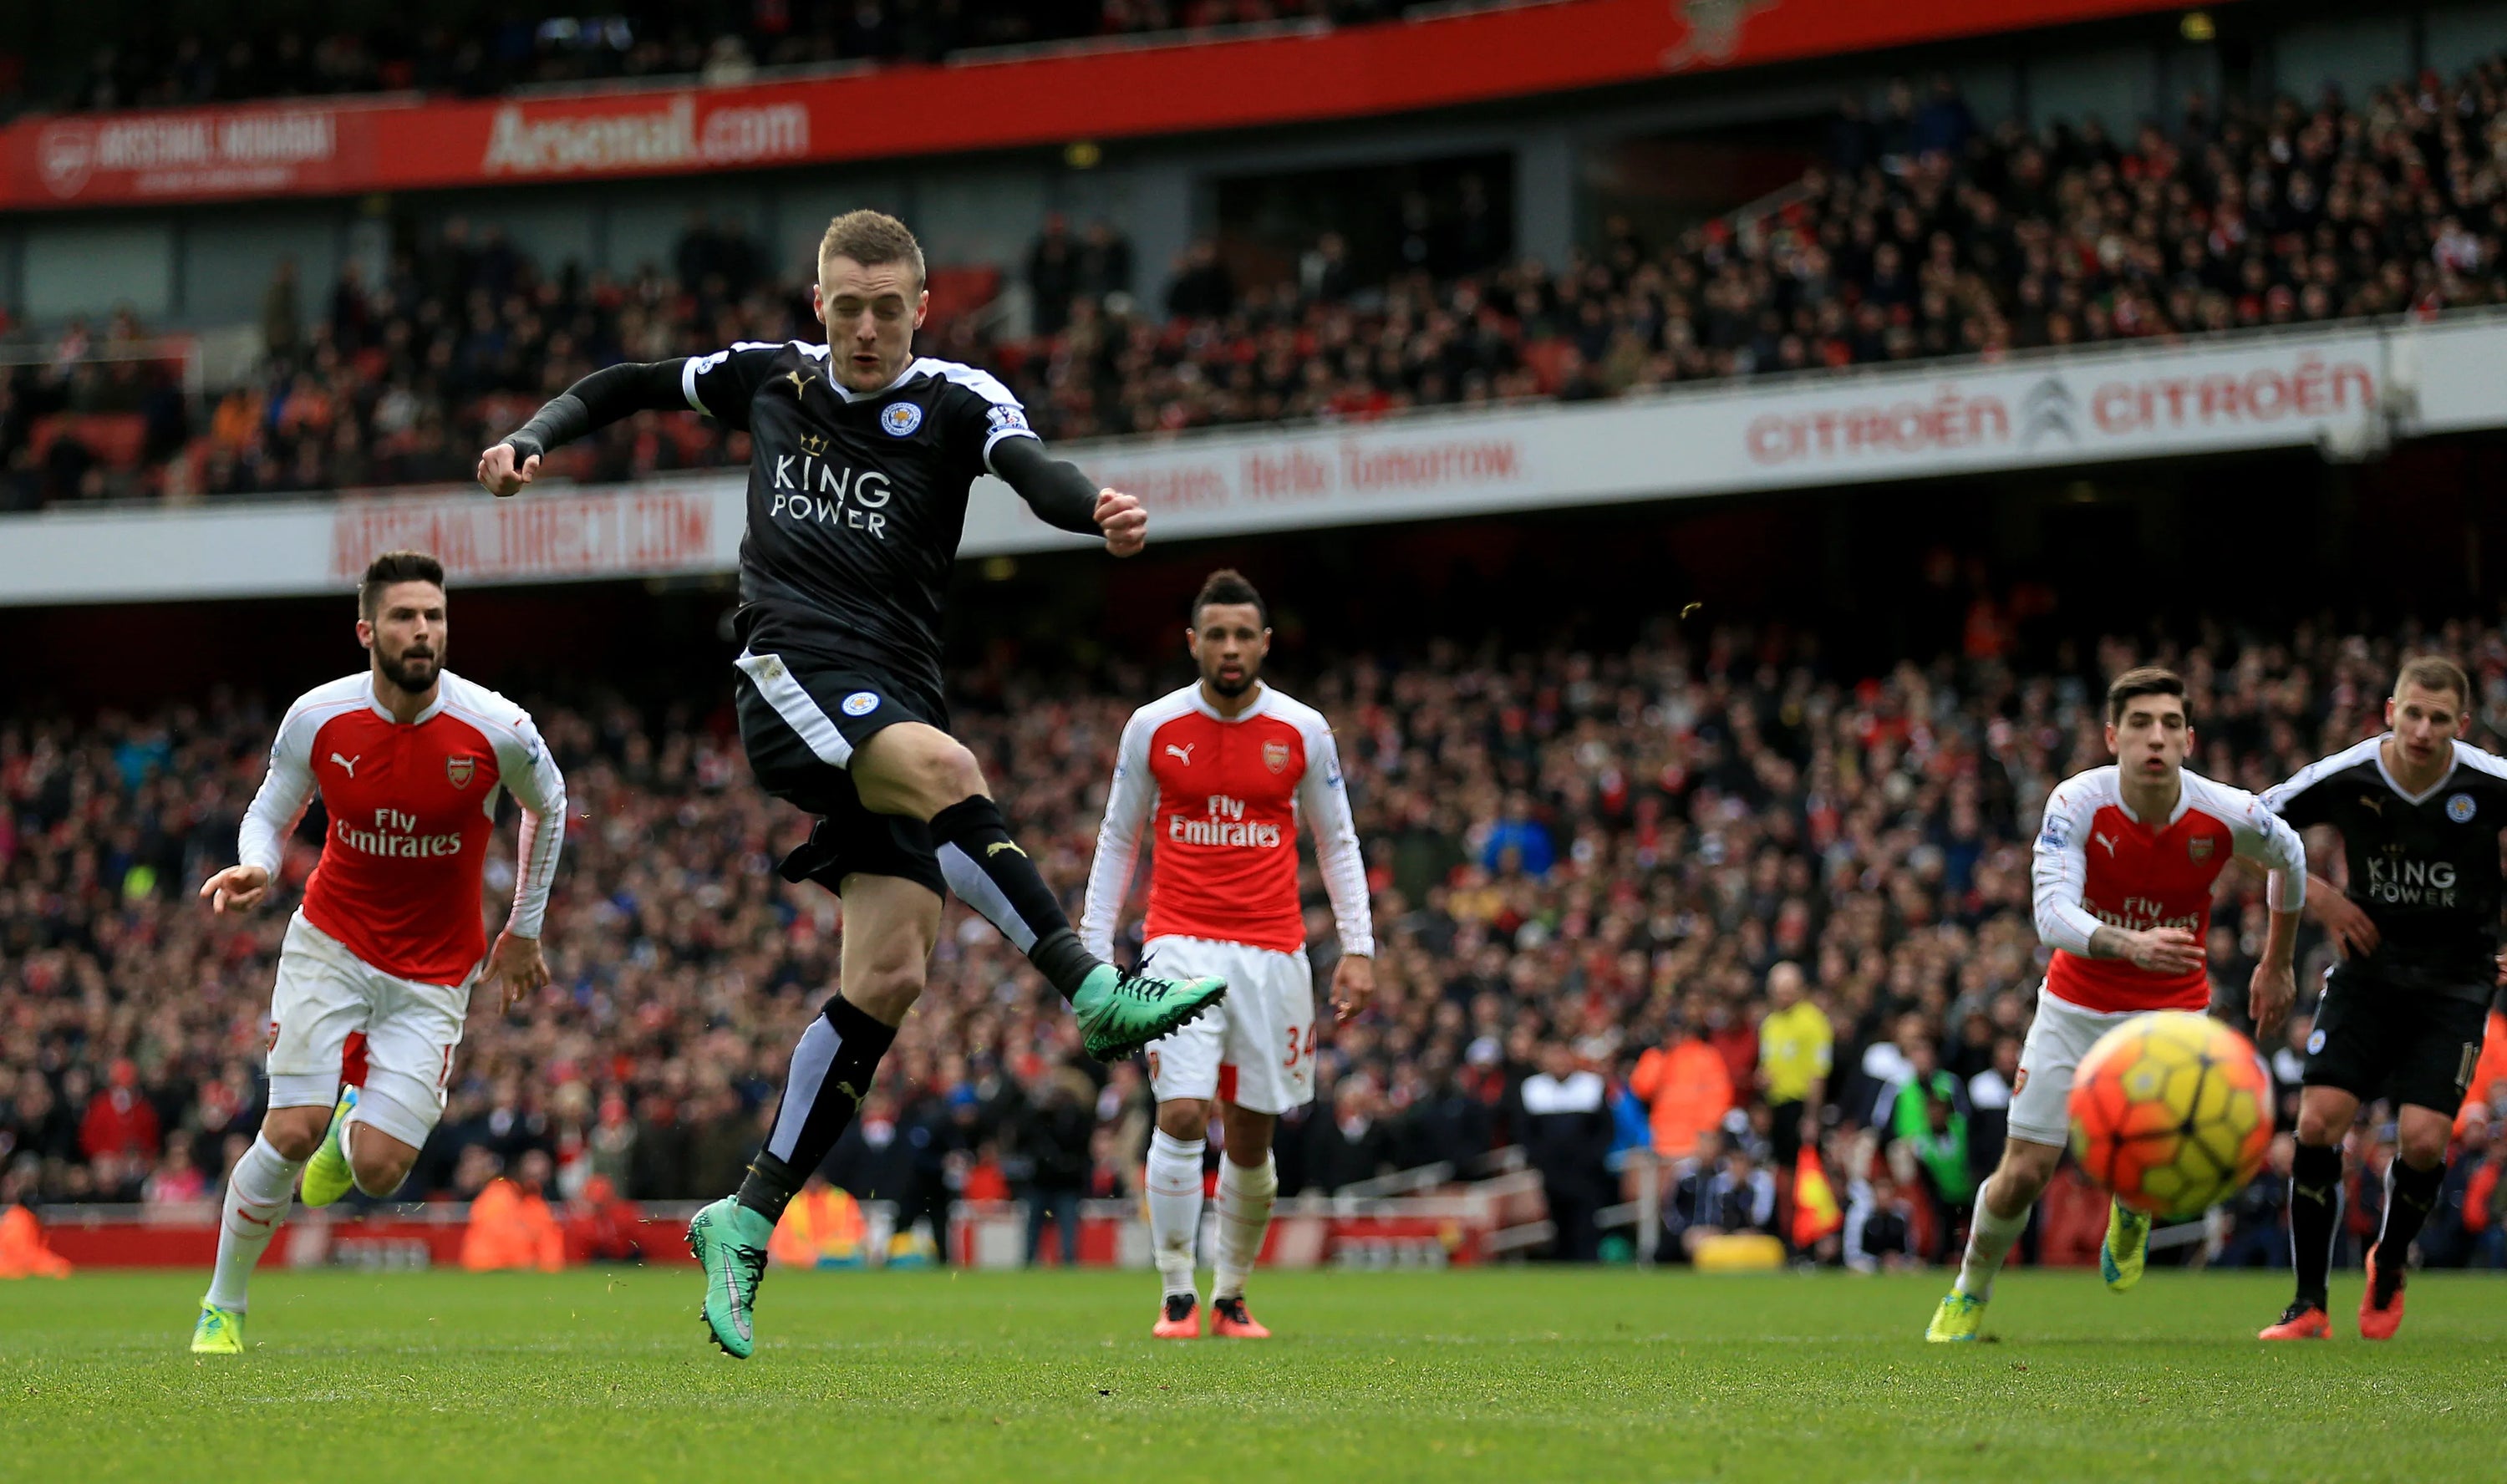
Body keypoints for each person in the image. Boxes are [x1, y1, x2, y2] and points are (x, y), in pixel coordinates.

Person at [476, 210, 1225, 1359]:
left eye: (890, 308)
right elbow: (630, 382)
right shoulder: (769, 381)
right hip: (790, 675)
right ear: (816, 303)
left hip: (891, 694)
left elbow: (1033, 471)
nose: (868, 328)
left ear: (921, 309)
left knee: (890, 970)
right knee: (947, 769)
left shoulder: (961, 398)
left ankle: (747, 1214)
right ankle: (1089, 990)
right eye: (848, 305)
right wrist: (535, 435)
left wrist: (1097, 511)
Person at [188, 551, 565, 1354]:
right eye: (404, 616)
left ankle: (351, 1118)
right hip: (331, 944)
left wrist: (524, 928)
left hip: (436, 973)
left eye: (434, 616)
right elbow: (270, 809)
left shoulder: (497, 728)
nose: (422, 630)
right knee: (289, 1131)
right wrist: (258, 861)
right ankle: (224, 1307)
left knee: (381, 1172)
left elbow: (551, 804)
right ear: (367, 630)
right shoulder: (320, 717)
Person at [1928, 667, 2303, 1342]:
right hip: (2074, 1008)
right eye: (2138, 724)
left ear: (2188, 739)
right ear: (2112, 736)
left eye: (2167, 725)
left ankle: (2132, 1210)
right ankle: (1968, 1292)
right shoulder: (2077, 802)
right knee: (2022, 1176)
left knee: (2155, 1160)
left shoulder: (2227, 811)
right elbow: (2050, 917)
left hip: (2172, 1018)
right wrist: (2130, 944)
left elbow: (2291, 855)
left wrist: (2277, 962)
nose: (2153, 737)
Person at [1081, 568, 1374, 1337]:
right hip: (1178, 943)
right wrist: (1090, 948)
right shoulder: (1153, 727)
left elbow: (1336, 841)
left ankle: (1231, 1294)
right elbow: (1119, 838)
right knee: (1179, 1112)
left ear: (1266, 643)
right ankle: (1177, 1289)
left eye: (1245, 635)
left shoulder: (1303, 731)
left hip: (1274, 953)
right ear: (1193, 643)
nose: (1232, 648)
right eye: (1218, 635)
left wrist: (1359, 947)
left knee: (1251, 1131)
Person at [2255, 657, 2507, 1339]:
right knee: (2316, 1124)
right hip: (2368, 976)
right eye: (2412, 714)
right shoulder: (2350, 773)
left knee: (2425, 1142)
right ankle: (2308, 1303)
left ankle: (2390, 1262)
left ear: (2461, 723)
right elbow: (2250, 827)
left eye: (2439, 719)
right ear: (2390, 711)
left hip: (2455, 986)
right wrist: (2326, 901)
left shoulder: (2489, 782)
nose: (2423, 730)